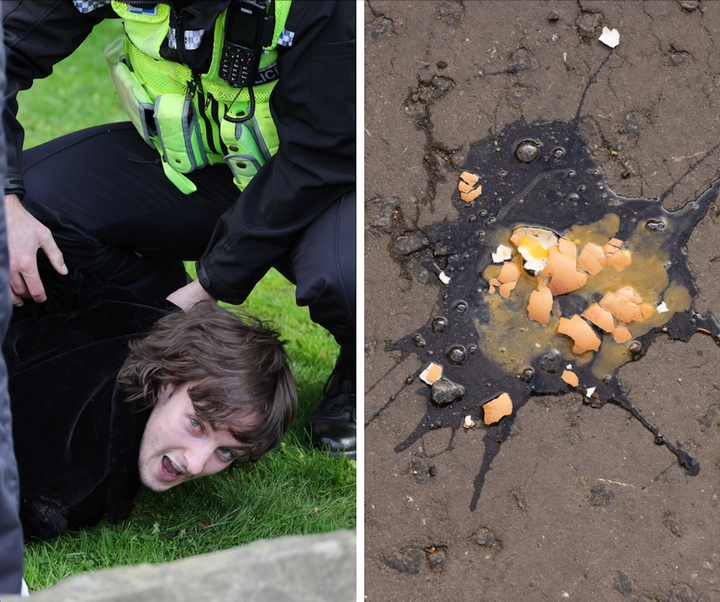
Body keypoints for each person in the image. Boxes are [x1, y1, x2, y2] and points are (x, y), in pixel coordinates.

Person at [2, 0, 355, 457]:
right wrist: (7, 200)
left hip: (315, 185)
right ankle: (153, 321)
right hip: (200, 171)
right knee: (37, 204)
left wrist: (210, 282)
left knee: (349, 278)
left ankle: (355, 371)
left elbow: (322, 149)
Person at [5, 265, 297, 540]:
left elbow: (80, 286)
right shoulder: (71, 483)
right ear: (166, 381)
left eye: (226, 452)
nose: (195, 465)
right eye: (196, 424)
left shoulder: (154, 319)